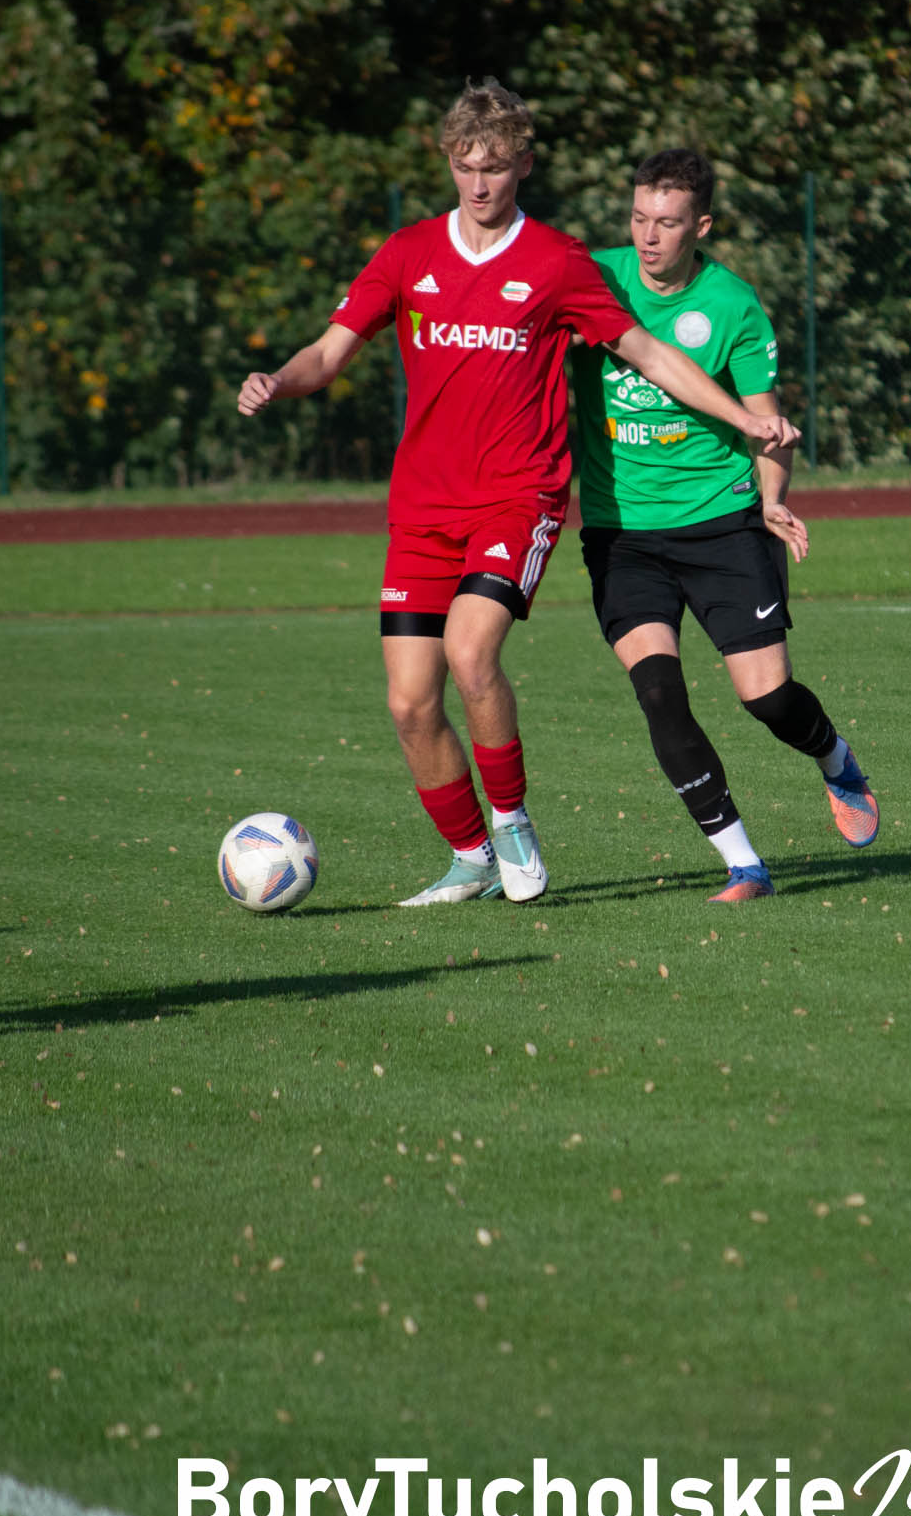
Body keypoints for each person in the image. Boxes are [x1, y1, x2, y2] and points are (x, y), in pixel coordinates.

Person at [237, 81, 798, 907]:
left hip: (516, 497)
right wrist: (275, 381)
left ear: (523, 166)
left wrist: (745, 421)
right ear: (448, 162)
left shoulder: (557, 261)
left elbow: (651, 355)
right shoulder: (407, 253)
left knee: (471, 653)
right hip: (422, 508)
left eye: (495, 167)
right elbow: (328, 354)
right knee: (408, 702)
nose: (479, 184)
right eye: (466, 166)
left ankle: (512, 824)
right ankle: (470, 858)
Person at [572, 149, 878, 902]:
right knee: (658, 692)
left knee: (767, 698)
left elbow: (768, 425)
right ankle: (744, 863)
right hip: (622, 534)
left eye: (668, 223)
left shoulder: (733, 305)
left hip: (722, 526)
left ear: (700, 225)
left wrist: (773, 497)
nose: (648, 236)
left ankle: (836, 760)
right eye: (639, 218)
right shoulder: (592, 279)